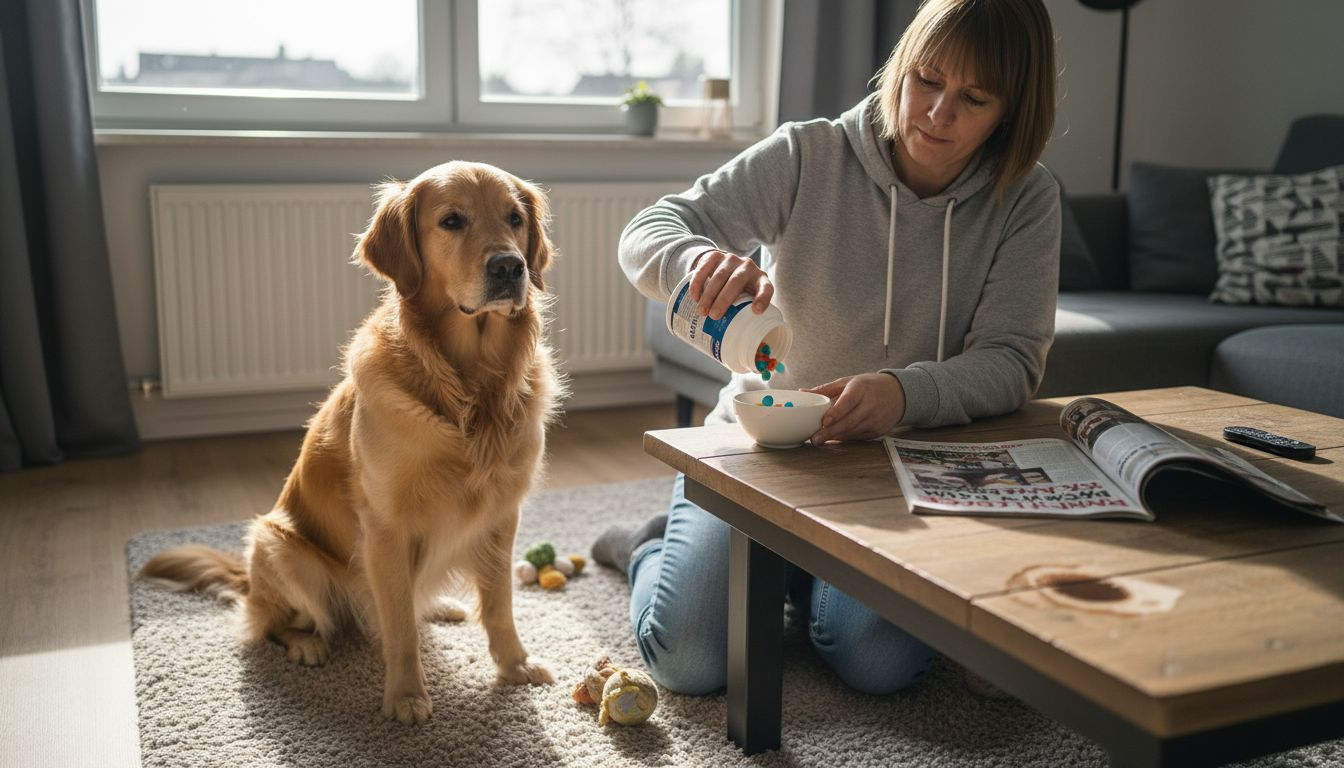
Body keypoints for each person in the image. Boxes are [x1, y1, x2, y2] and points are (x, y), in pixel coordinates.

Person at [595, 0, 1060, 696]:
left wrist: (904, 392)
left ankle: (793, 575)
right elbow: (649, 229)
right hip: (760, 449)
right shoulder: (809, 153)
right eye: (927, 80)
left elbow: (1012, 360)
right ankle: (650, 546)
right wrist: (693, 261)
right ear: (901, 66)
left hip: (897, 467)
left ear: (1012, 111)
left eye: (974, 98)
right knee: (687, 659)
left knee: (880, 663)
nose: (937, 113)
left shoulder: (1025, 198)